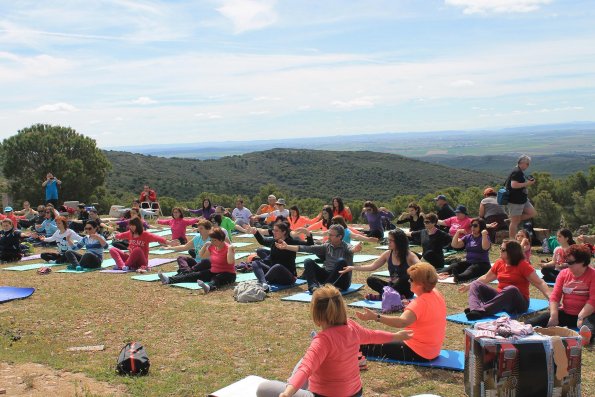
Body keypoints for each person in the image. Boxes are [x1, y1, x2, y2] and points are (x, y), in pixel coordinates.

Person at [256, 284, 413, 397]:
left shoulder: (322, 341)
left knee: (263, 389)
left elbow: (306, 369)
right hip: (355, 393)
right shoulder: (352, 327)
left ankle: (290, 384)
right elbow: (373, 335)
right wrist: (397, 336)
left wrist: (287, 393)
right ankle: (291, 384)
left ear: (316, 315)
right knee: (306, 361)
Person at [356, 262, 446, 362]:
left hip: (417, 351)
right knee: (383, 337)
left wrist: (376, 317)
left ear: (420, 284)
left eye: (411, 279)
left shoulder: (419, 303)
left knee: (365, 344)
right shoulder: (436, 293)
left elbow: (401, 322)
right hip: (432, 350)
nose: (408, 280)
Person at [460, 240, 550, 320]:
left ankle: (481, 311)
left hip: (519, 303)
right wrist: (469, 285)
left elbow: (540, 283)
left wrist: (551, 299)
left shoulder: (523, 265)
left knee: (511, 289)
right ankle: (475, 309)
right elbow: (486, 278)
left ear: (511, 252)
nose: (500, 251)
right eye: (500, 248)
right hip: (500, 298)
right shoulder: (499, 263)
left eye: (503, 250)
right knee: (476, 284)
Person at [525, 244, 594, 345]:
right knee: (540, 319)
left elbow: (593, 300)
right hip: (566, 313)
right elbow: (555, 296)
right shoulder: (563, 274)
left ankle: (586, 337)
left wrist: (581, 316)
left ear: (582, 262)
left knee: (591, 323)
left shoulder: (593, 275)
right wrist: (554, 315)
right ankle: (522, 327)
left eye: (571, 262)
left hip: (587, 315)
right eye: (566, 261)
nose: (567, 265)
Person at [276, 224, 362, 293]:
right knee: (308, 261)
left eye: (331, 235)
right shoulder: (327, 246)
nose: (328, 237)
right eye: (328, 234)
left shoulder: (346, 247)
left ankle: (325, 287)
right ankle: (313, 287)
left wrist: (355, 249)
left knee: (341, 261)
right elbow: (307, 248)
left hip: (342, 282)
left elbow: (351, 249)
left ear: (339, 237)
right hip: (327, 276)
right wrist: (286, 247)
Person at [340, 229, 419, 300]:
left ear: (399, 242)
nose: (388, 242)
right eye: (388, 240)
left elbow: (423, 267)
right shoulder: (387, 254)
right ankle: (394, 296)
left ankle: (382, 297)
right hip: (391, 286)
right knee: (371, 280)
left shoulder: (409, 255)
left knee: (405, 278)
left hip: (406, 290)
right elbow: (372, 266)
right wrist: (352, 267)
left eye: (391, 240)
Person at [161, 227, 236, 293]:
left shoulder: (229, 248)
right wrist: (205, 245)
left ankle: (209, 287)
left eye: (214, 240)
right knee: (194, 275)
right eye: (211, 240)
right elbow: (202, 256)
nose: (212, 242)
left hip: (228, 274)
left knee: (216, 278)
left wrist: (229, 250)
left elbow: (230, 262)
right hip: (213, 271)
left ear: (222, 239)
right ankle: (169, 280)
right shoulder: (212, 247)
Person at [248, 221, 314, 290]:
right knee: (255, 262)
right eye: (273, 230)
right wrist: (255, 232)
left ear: (284, 232)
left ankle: (262, 281)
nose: (273, 232)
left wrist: (308, 234)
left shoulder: (291, 242)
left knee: (277, 266)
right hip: (274, 273)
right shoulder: (274, 241)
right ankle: (264, 283)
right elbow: (262, 241)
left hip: (288, 277)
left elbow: (309, 245)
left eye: (276, 231)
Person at [438, 218, 491, 283]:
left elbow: (485, 247)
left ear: (481, 227)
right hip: (469, 262)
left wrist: (484, 235)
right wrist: (457, 233)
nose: (472, 227)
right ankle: (435, 273)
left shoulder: (485, 237)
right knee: (454, 265)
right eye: (471, 225)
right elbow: (454, 245)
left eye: (475, 225)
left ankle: (459, 277)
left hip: (482, 264)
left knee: (471, 269)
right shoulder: (468, 237)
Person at [506, 155, 537, 238]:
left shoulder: (519, 171)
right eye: (527, 164)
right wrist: (528, 183)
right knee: (515, 223)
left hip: (522, 199)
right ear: (521, 163)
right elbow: (514, 185)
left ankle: (513, 219)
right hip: (515, 200)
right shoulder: (517, 172)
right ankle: (512, 241)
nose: (528, 166)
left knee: (532, 213)